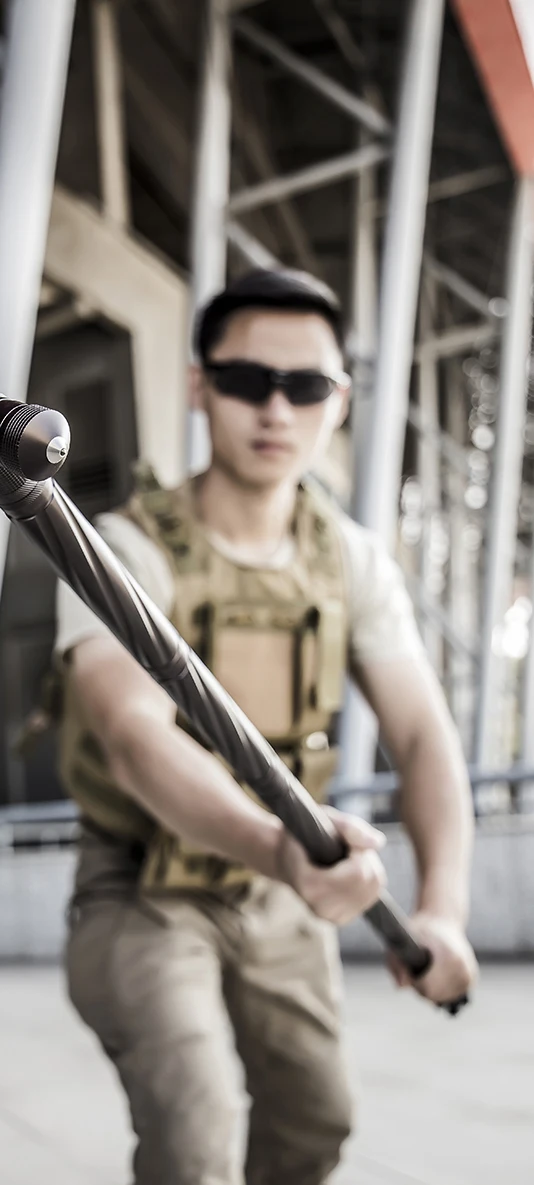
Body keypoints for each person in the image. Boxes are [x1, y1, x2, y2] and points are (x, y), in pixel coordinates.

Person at [53, 268, 477, 1185]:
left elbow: (423, 738)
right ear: (200, 385)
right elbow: (135, 736)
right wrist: (277, 845)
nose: (276, 408)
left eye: (307, 386)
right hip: (143, 889)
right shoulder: (121, 547)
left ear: (341, 401)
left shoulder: (353, 560)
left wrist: (442, 909)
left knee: (317, 1119)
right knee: (192, 1130)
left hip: (282, 893)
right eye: (247, 380)